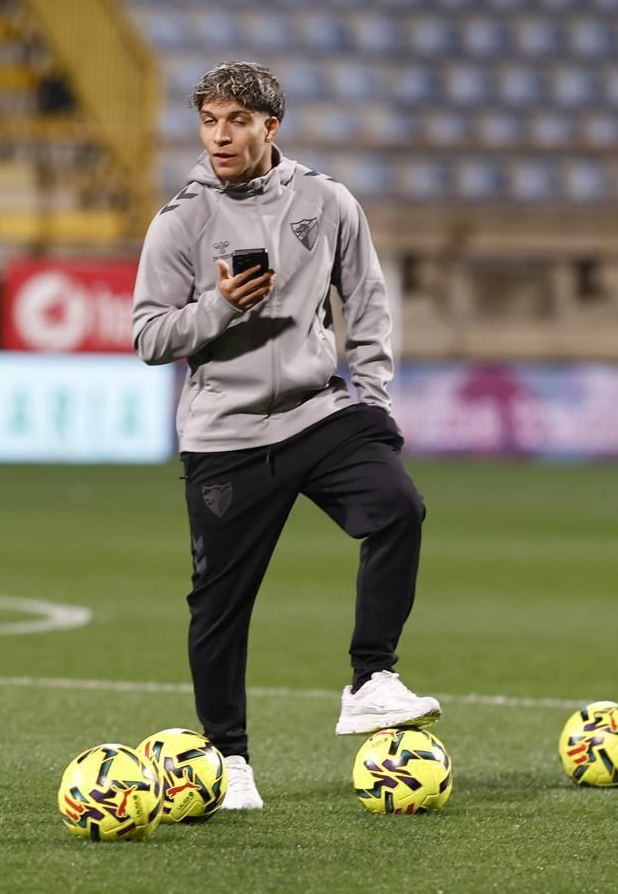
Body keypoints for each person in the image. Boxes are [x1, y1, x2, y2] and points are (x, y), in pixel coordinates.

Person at [131, 61, 439, 811]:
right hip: (225, 435)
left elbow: (367, 301)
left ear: (270, 127)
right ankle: (229, 760)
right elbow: (148, 337)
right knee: (220, 608)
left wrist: (373, 400)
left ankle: (372, 679)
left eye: (236, 121)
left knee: (398, 507)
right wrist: (219, 307)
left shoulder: (327, 202)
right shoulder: (180, 221)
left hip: (316, 411)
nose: (219, 136)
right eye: (209, 121)